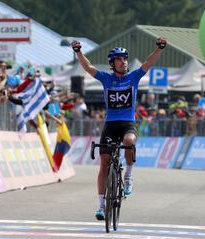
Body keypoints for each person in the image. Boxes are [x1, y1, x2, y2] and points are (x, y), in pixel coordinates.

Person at [71, 37, 167, 220]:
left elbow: (148, 63)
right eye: (119, 59)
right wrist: (78, 52)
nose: (123, 62)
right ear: (112, 63)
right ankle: (100, 206)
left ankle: (129, 176)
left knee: (129, 141)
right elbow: (88, 67)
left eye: (124, 59)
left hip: (127, 122)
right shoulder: (106, 79)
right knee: (104, 163)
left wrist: (159, 49)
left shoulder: (133, 77)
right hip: (110, 125)